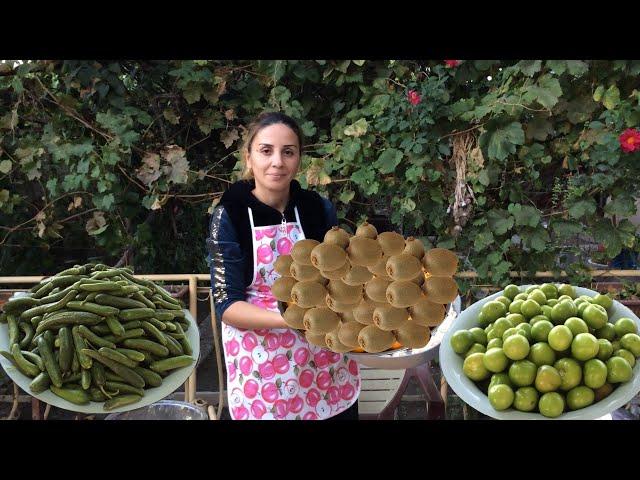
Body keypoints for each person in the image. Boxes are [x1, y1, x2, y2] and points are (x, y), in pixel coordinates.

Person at [207, 111, 361, 420]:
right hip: (263, 370)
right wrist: (291, 319)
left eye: (288, 152)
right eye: (266, 150)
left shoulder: (317, 208)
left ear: (299, 160)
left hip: (326, 362)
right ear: (248, 157)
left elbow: (339, 278)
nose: (277, 161)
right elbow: (227, 305)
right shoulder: (230, 215)